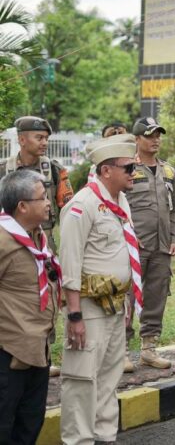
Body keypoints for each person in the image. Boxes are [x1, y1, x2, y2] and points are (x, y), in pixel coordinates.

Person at [58, 134, 140, 444]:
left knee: (109, 377)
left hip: (115, 305)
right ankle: (79, 441)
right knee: (81, 380)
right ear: (107, 171)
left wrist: (126, 301)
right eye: (128, 168)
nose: (134, 173)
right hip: (89, 309)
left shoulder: (120, 201)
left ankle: (105, 437)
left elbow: (123, 253)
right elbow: (70, 263)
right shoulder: (83, 205)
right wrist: (75, 315)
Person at [0, 170, 60, 445]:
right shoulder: (3, 240)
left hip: (39, 347)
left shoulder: (38, 237)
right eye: (42, 197)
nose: (49, 202)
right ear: (22, 206)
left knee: (30, 422)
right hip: (9, 351)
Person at [123, 117, 175, 372]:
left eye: (158, 134)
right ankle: (122, 351)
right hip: (132, 247)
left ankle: (148, 349)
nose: (155, 139)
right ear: (136, 139)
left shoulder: (169, 171)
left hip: (161, 246)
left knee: (156, 296)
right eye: (149, 135)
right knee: (126, 297)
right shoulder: (126, 169)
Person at [0, 116, 74, 252]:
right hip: (10, 244)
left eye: (46, 138)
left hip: (44, 244)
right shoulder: (3, 170)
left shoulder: (55, 170)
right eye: (39, 138)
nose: (45, 143)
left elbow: (70, 209)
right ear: (22, 140)